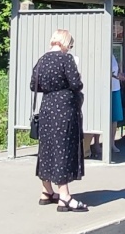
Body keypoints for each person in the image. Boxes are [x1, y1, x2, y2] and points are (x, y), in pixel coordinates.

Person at [31, 29, 89, 213]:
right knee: (62, 148)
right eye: (70, 45)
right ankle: (64, 196)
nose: (70, 48)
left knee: (47, 147)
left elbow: (34, 85)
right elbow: (76, 84)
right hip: (64, 108)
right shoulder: (67, 59)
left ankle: (46, 191)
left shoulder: (42, 60)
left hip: (47, 106)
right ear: (65, 43)